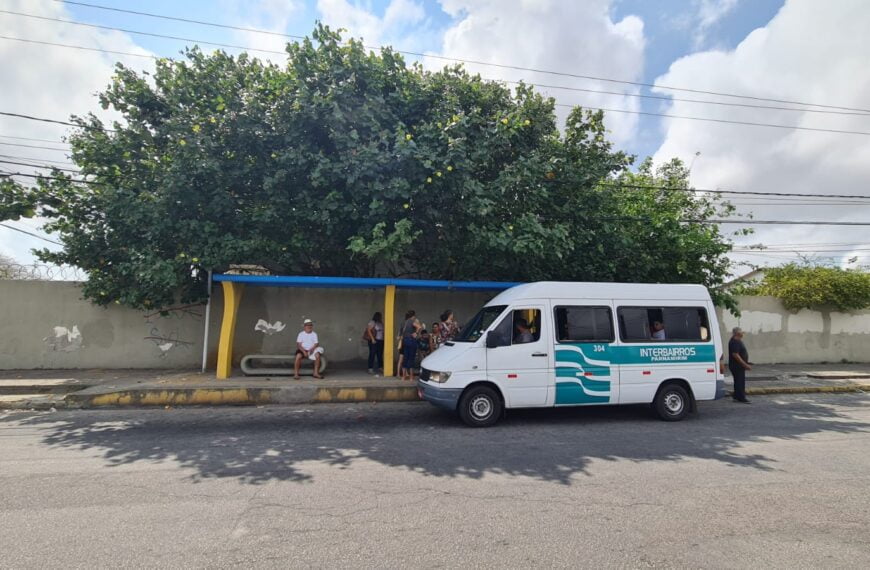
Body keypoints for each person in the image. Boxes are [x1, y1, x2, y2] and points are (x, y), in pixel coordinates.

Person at [729, 326, 752, 403]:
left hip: (737, 365)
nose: (743, 333)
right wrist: (745, 365)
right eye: (742, 332)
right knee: (740, 382)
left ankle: (736, 396)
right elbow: (735, 354)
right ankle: (741, 398)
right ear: (738, 333)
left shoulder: (736, 340)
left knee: (737, 381)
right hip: (737, 366)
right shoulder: (735, 341)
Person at [400, 310, 422, 381]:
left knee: (405, 358)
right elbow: (419, 327)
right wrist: (416, 332)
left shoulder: (404, 322)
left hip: (405, 341)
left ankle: (403, 377)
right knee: (411, 358)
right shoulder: (412, 321)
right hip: (411, 341)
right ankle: (411, 377)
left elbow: (401, 333)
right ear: (413, 316)